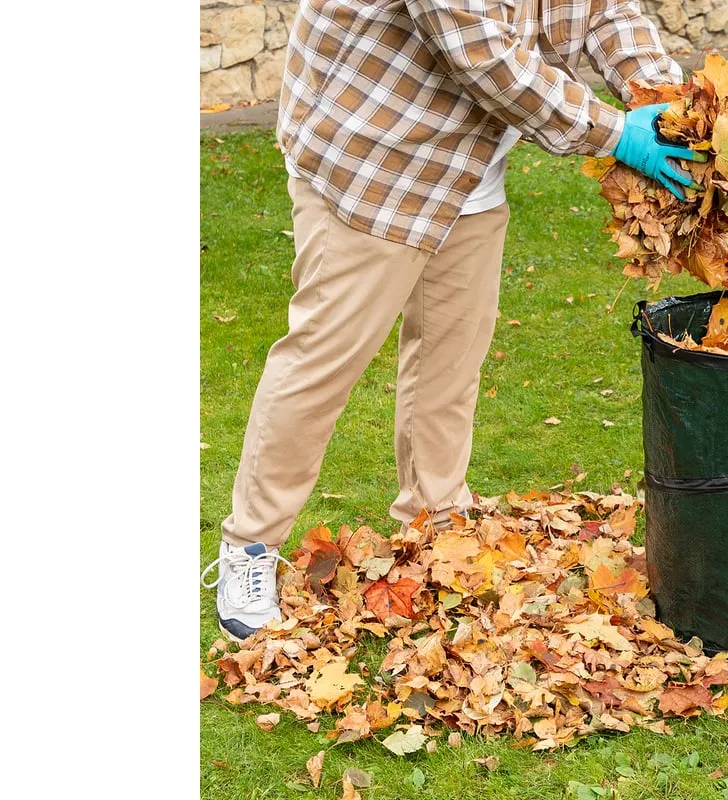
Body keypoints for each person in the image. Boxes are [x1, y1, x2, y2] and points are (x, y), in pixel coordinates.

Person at [201, 0, 702, 642]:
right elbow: (482, 53)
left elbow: (604, 11)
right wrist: (615, 133)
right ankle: (250, 546)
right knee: (322, 362)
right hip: (373, 163)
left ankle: (434, 524)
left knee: (452, 360)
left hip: (469, 173)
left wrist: (662, 100)